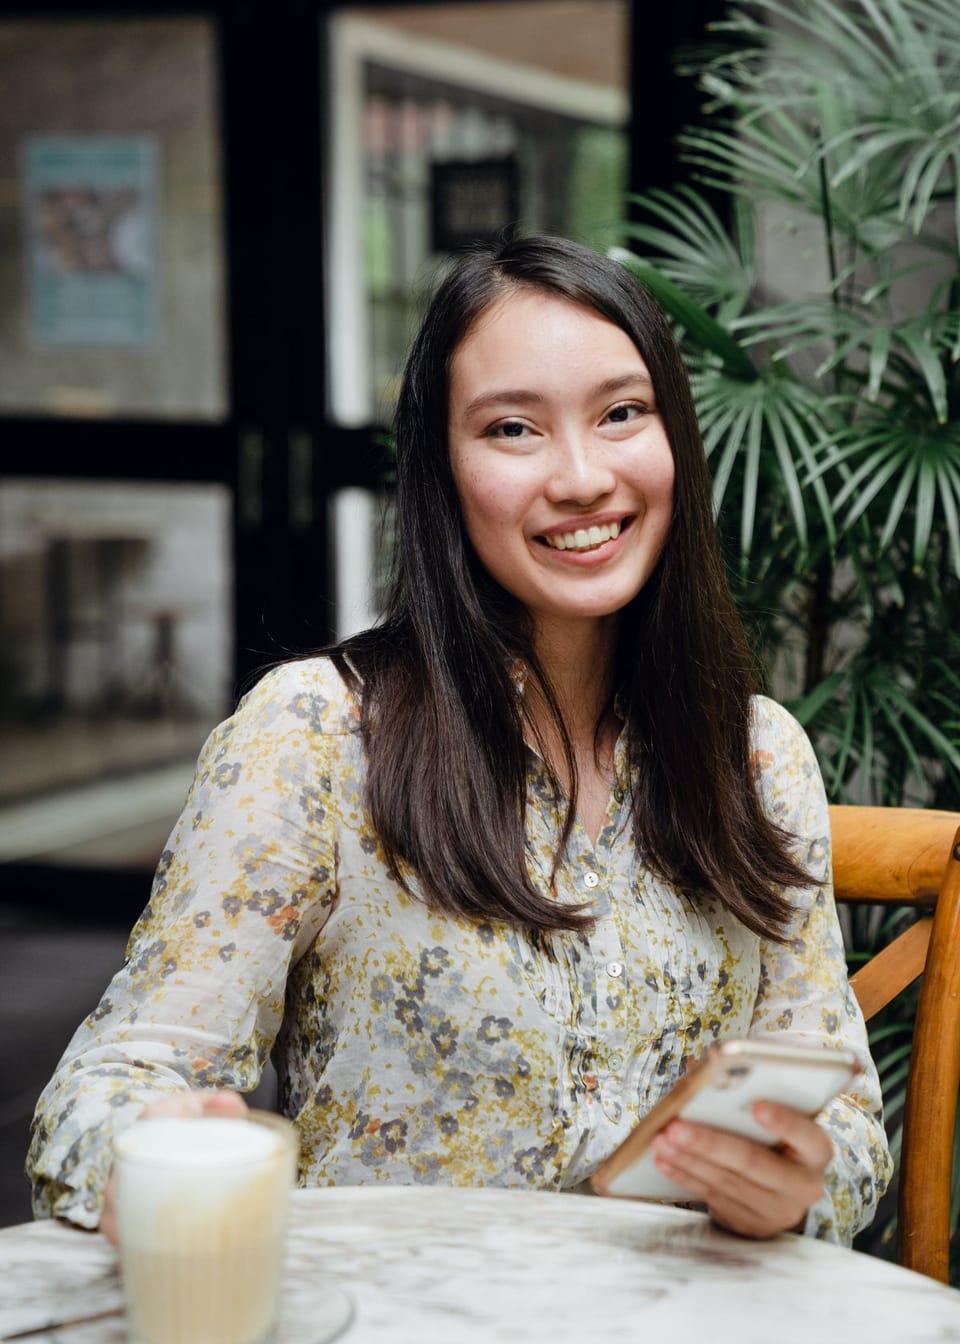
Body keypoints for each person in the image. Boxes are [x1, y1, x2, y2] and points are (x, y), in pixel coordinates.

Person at [27, 234, 892, 1245]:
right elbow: (105, 1093)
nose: (581, 477)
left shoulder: (755, 755)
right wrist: (155, 1145)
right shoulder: (319, 735)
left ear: (674, 440)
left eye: (622, 413)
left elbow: (848, 1130)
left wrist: (799, 1183)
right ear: (443, 467)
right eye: (514, 428)